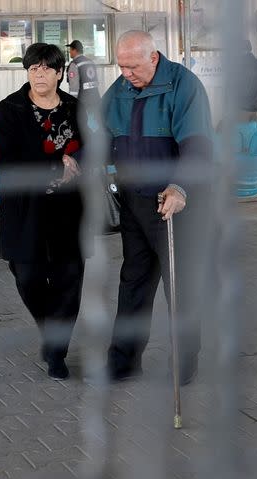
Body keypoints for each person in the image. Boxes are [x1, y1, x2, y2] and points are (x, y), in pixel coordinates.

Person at [102, 30, 213, 384]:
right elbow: (101, 138)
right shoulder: (119, 89)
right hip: (134, 201)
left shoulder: (184, 86)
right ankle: (122, 364)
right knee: (133, 282)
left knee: (179, 287)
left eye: (132, 66)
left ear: (154, 58)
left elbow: (197, 147)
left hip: (173, 202)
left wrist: (180, 188)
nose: (126, 74)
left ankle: (183, 367)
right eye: (121, 66)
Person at [0, 43, 85, 381]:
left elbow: (92, 146)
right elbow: (5, 161)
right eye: (33, 69)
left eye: (46, 68)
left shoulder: (76, 108)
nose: (39, 74)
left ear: (60, 72)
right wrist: (54, 163)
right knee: (28, 278)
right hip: (26, 211)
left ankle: (57, 353)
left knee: (69, 282)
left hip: (69, 210)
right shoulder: (9, 110)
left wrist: (78, 162)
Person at [65, 40, 100, 110]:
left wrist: (72, 105)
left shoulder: (74, 64)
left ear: (75, 50)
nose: (70, 52)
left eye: (71, 50)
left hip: (83, 103)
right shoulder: (90, 62)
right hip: (96, 99)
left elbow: (74, 88)